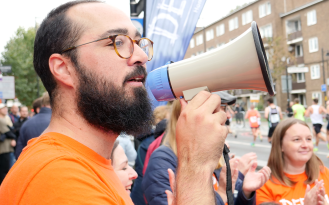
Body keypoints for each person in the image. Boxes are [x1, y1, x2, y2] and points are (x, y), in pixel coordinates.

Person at [0, 1, 229, 204]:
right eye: (117, 42)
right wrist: (196, 168)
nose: (140, 55)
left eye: (138, 42)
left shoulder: (87, 164)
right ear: (64, 68)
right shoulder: (57, 176)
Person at [142, 100, 270, 205]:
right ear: (186, 116)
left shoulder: (216, 153)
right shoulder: (162, 160)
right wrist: (221, 194)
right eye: (214, 112)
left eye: (223, 109)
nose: (225, 117)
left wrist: (245, 192)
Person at [256, 118, 329, 205]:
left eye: (308, 139)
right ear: (280, 146)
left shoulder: (325, 174)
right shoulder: (264, 184)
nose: (305, 145)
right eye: (297, 139)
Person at [131, 105, 169, 205]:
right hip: (147, 192)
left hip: (140, 188)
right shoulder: (158, 141)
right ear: (161, 119)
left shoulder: (146, 138)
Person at [15, 92, 52, 159]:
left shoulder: (26, 124)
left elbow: (19, 152)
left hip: (31, 163)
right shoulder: (60, 123)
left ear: (42, 105)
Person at [0, 103, 16, 184]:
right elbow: (8, 132)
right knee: (5, 170)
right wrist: (14, 137)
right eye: (3, 108)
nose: (5, 110)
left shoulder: (7, 119)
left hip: (7, 148)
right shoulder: (1, 120)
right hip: (4, 149)